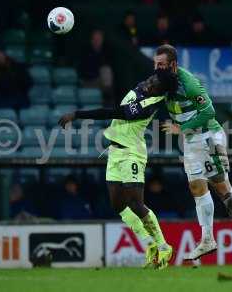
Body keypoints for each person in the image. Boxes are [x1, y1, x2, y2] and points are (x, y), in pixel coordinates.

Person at [59, 69, 178, 269]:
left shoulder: (149, 105)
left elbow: (112, 112)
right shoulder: (144, 86)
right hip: (115, 150)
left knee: (135, 202)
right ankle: (149, 244)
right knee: (118, 205)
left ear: (160, 89)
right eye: (151, 76)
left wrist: (77, 114)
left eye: (154, 81)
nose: (149, 80)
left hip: (132, 153)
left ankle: (163, 245)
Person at [155, 44, 232, 263]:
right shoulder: (162, 82)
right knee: (196, 186)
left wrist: (180, 129)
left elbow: (209, 111)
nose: (158, 68)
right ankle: (207, 239)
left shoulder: (189, 83)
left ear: (173, 65)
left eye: (162, 64)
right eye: (156, 64)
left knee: (221, 187)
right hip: (192, 141)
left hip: (209, 137)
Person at [79, 29, 114, 104]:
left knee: (106, 70)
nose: (97, 41)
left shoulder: (106, 52)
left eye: (99, 39)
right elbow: (84, 70)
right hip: (87, 81)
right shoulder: (85, 52)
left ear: (102, 40)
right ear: (91, 40)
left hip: (101, 83)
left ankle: (107, 100)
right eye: (95, 39)